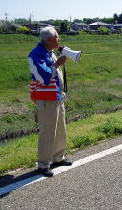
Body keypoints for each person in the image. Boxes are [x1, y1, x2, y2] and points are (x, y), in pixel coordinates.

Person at [28, 26, 73, 177]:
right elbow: (43, 77)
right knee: (47, 132)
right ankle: (43, 164)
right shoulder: (36, 55)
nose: (59, 40)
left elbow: (56, 74)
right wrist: (58, 63)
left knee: (61, 129)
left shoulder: (50, 52)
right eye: (56, 38)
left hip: (57, 97)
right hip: (46, 99)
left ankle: (58, 157)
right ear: (47, 40)